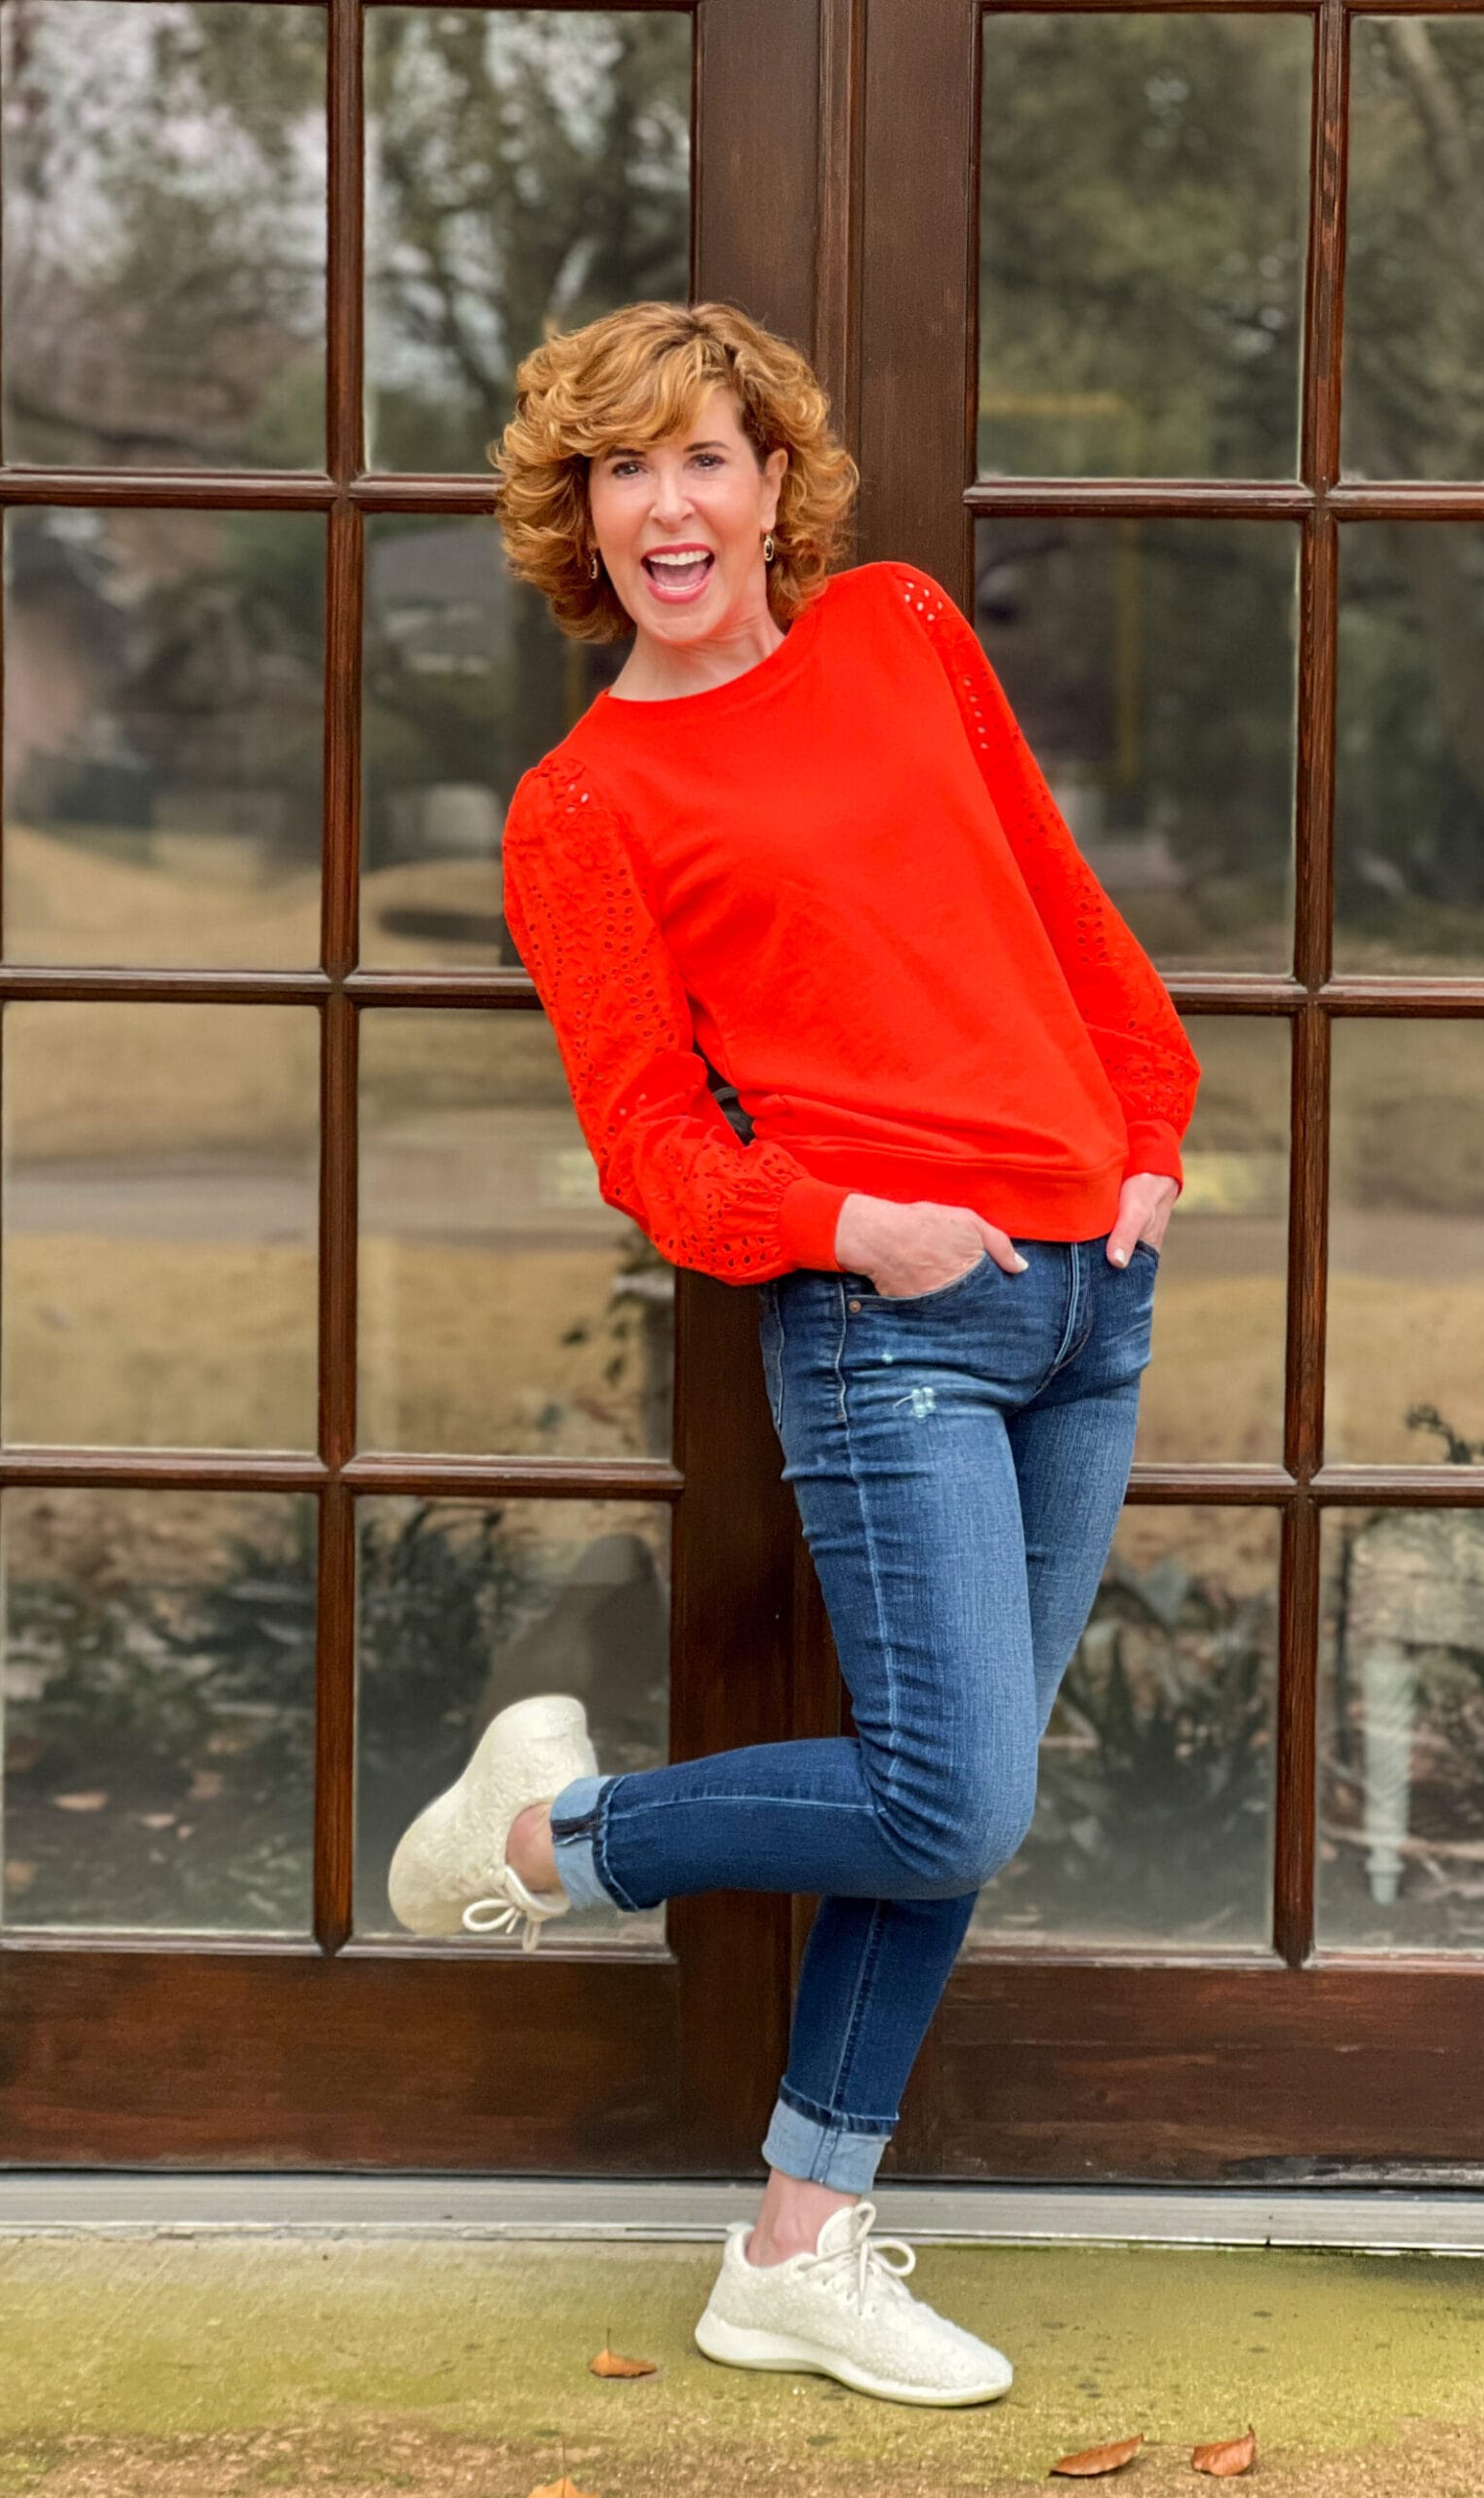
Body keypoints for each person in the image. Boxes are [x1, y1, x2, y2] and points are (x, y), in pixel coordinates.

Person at [387, 299, 1199, 2409]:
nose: (670, 504)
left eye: (705, 458)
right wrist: (859, 1224)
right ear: (579, 515)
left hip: (1086, 1297)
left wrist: (1151, 1133)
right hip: (890, 1320)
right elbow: (657, 1152)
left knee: (964, 1802)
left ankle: (795, 2247)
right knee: (947, 1797)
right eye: (621, 469)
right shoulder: (584, 805)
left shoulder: (905, 629)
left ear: (772, 484)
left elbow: (1050, 891)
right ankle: (555, 1836)